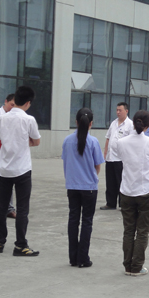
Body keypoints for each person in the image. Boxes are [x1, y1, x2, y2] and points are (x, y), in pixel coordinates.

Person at [0, 86, 41, 256]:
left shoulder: (2, 118)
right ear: (28, 103)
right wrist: (24, 142)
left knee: (2, 206)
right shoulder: (29, 120)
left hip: (4, 168)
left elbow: (2, 138)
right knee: (22, 208)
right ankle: (20, 245)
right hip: (22, 168)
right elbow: (36, 141)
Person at [116, 110, 149, 276]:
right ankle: (137, 266)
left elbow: (122, 160)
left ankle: (127, 266)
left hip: (127, 191)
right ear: (148, 125)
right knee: (142, 231)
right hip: (146, 191)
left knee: (128, 230)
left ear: (133, 123)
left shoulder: (121, 142)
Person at [62, 108, 104, 268]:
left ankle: (73, 257)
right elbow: (97, 166)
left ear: (76, 122)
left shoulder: (67, 140)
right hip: (89, 187)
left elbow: (66, 161)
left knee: (73, 219)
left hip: (72, 185)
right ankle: (83, 258)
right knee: (87, 221)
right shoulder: (93, 142)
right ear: (90, 124)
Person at [100, 102, 133, 210]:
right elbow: (108, 138)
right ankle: (110, 203)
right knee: (110, 182)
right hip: (110, 158)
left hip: (121, 159)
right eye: (117, 110)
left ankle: (123, 204)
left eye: (120, 110)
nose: (118, 112)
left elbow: (132, 142)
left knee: (121, 182)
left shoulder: (130, 125)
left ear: (126, 111)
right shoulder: (113, 123)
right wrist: (105, 153)